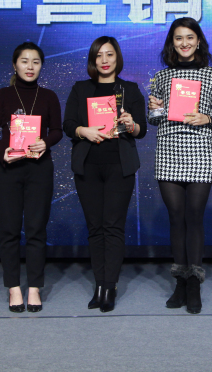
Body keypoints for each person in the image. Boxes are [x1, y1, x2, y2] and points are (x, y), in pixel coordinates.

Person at [148, 17, 212, 314]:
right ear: (172, 43)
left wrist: (206, 117)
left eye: (189, 37)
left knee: (194, 217)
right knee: (176, 218)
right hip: (169, 150)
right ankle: (180, 282)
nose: (184, 43)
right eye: (178, 38)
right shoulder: (161, 77)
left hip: (199, 150)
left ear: (198, 41)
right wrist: (154, 109)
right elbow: (153, 120)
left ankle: (194, 282)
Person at [63, 37, 147, 313]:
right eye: (99, 55)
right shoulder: (81, 88)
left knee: (113, 226)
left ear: (117, 58)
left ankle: (109, 285)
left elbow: (142, 129)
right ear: (92, 59)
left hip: (119, 166)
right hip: (88, 166)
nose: (104, 60)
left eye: (109, 54)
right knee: (95, 227)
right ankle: (99, 284)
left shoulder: (130, 89)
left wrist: (131, 125)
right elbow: (68, 124)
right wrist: (83, 131)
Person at [0, 42, 63, 313]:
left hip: (39, 169)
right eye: (24, 61)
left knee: (36, 229)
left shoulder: (49, 96)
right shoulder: (2, 95)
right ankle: (13, 287)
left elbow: (57, 130)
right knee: (9, 230)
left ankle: (34, 287)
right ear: (14, 64)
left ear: (41, 66)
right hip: (8, 168)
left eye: (36, 62)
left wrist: (46, 142)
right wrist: (2, 152)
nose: (30, 67)